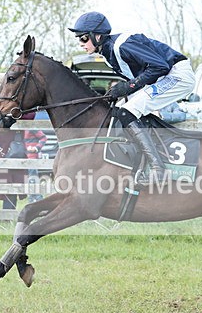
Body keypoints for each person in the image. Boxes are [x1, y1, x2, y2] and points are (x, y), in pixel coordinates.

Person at [69, 11, 195, 185]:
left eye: (83, 38)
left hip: (177, 75)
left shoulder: (122, 45)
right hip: (163, 76)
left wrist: (128, 87)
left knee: (127, 111)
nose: (80, 43)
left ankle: (158, 169)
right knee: (118, 110)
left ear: (97, 36)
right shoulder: (106, 53)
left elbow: (160, 66)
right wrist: (121, 91)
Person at [24, 123, 47, 203]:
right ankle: (33, 199)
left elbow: (43, 137)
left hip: (31, 157)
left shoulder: (30, 126)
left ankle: (37, 199)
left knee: (32, 178)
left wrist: (36, 148)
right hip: (22, 157)